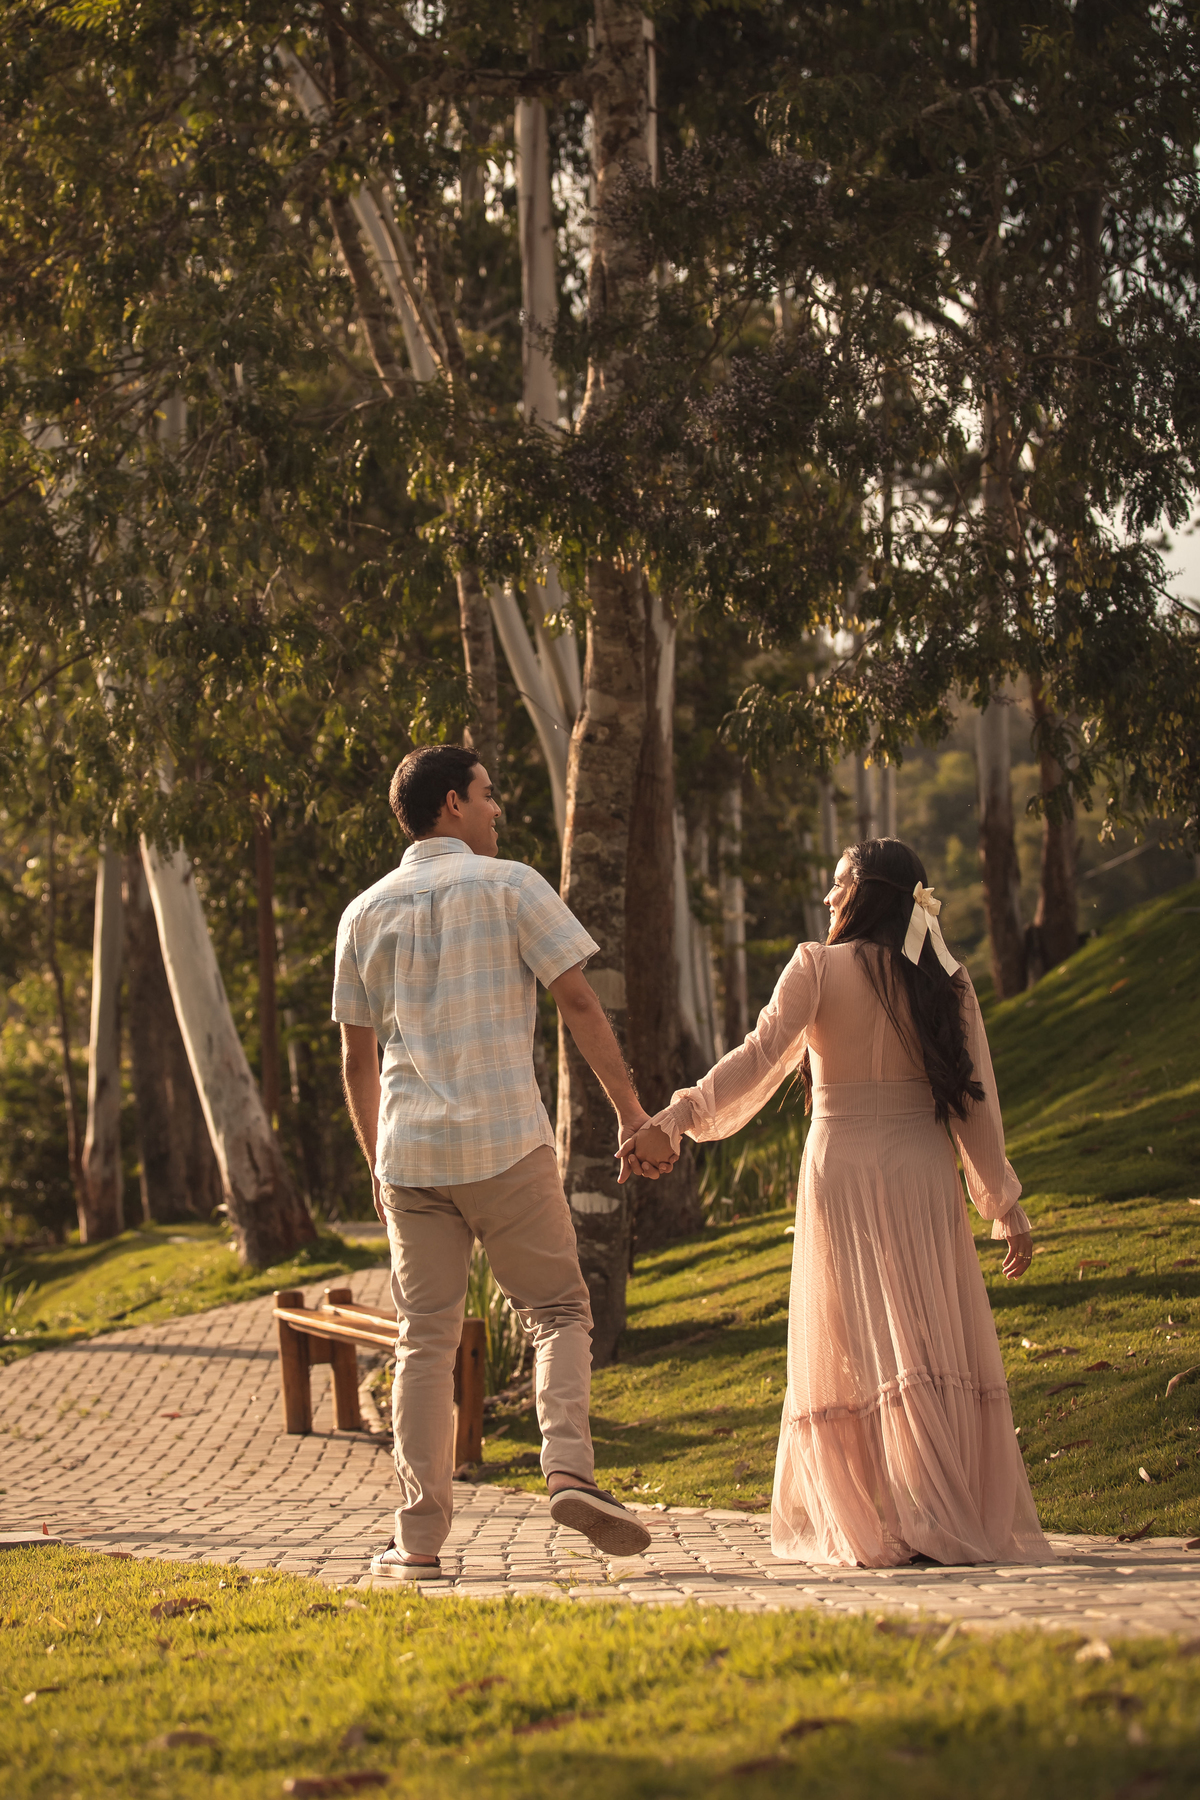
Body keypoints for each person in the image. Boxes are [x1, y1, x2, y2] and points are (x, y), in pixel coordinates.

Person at [621, 837, 1049, 1569]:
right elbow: (976, 1103)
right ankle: (936, 1513)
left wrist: (677, 1116)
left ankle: (875, 1521)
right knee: (921, 1334)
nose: (828, 899)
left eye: (837, 884)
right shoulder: (945, 978)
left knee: (850, 1341)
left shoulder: (816, 967)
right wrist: (1001, 1199)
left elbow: (757, 1060)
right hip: (919, 1164)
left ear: (864, 893)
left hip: (841, 1169)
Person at [334, 744, 654, 1576]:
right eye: (487, 796)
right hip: (506, 1141)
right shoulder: (511, 884)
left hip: (410, 1157)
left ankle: (419, 1543)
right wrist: (631, 1111)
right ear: (451, 804)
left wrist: (377, 1164)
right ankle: (569, 1471)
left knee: (424, 1342)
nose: (496, 810)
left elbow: (356, 1061)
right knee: (557, 1311)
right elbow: (578, 999)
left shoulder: (362, 912)